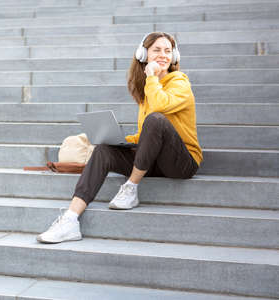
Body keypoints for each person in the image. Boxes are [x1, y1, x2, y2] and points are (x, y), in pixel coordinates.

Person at [37, 32, 203, 244]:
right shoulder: (148, 90)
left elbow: (160, 109)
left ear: (175, 56)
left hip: (182, 163)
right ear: (143, 55)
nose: (163, 55)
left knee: (156, 119)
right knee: (104, 150)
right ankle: (70, 219)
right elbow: (147, 133)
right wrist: (119, 141)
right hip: (154, 161)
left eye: (168, 51)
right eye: (157, 50)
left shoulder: (180, 82)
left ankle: (131, 188)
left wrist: (152, 76)